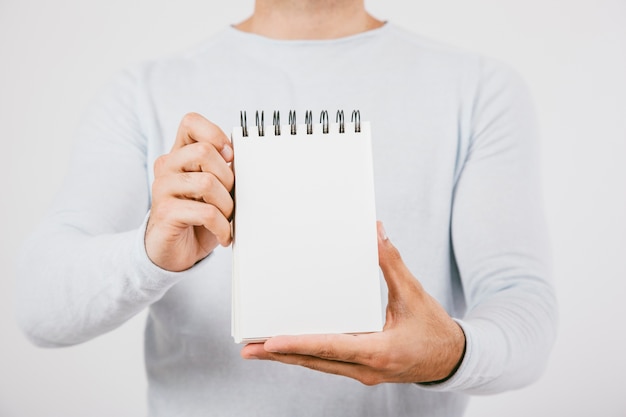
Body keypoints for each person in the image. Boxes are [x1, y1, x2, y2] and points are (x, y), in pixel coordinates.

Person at [16, 1, 558, 416]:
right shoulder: (141, 92)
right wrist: (149, 254)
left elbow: (523, 307)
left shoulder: (480, 89)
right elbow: (40, 309)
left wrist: (450, 354)